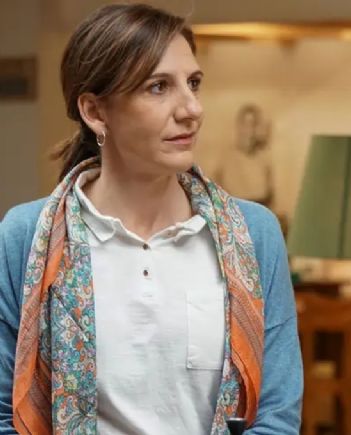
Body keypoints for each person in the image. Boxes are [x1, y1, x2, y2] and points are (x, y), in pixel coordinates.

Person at [0, 4, 301, 434]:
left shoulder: (254, 234)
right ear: (95, 112)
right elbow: (3, 414)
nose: (191, 109)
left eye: (193, 83)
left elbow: (276, 416)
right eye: (158, 87)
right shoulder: (26, 237)